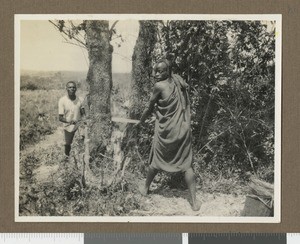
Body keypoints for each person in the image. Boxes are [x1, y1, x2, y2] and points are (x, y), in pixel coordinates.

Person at [136, 59, 201, 211]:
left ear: (167, 71)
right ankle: (194, 203)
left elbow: (149, 107)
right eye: (155, 70)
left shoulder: (159, 86)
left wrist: (141, 121)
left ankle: (145, 188)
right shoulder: (178, 80)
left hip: (166, 130)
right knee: (186, 165)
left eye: (159, 71)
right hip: (182, 129)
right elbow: (185, 91)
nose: (155, 74)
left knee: (156, 159)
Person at [58, 81, 85, 157]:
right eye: (70, 87)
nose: (72, 89)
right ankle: (67, 158)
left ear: (76, 89)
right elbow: (60, 117)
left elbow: (83, 113)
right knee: (68, 144)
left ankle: (81, 159)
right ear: (66, 88)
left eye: (73, 87)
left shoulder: (80, 100)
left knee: (82, 141)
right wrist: (68, 120)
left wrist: (83, 122)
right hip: (68, 126)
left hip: (79, 125)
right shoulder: (62, 100)